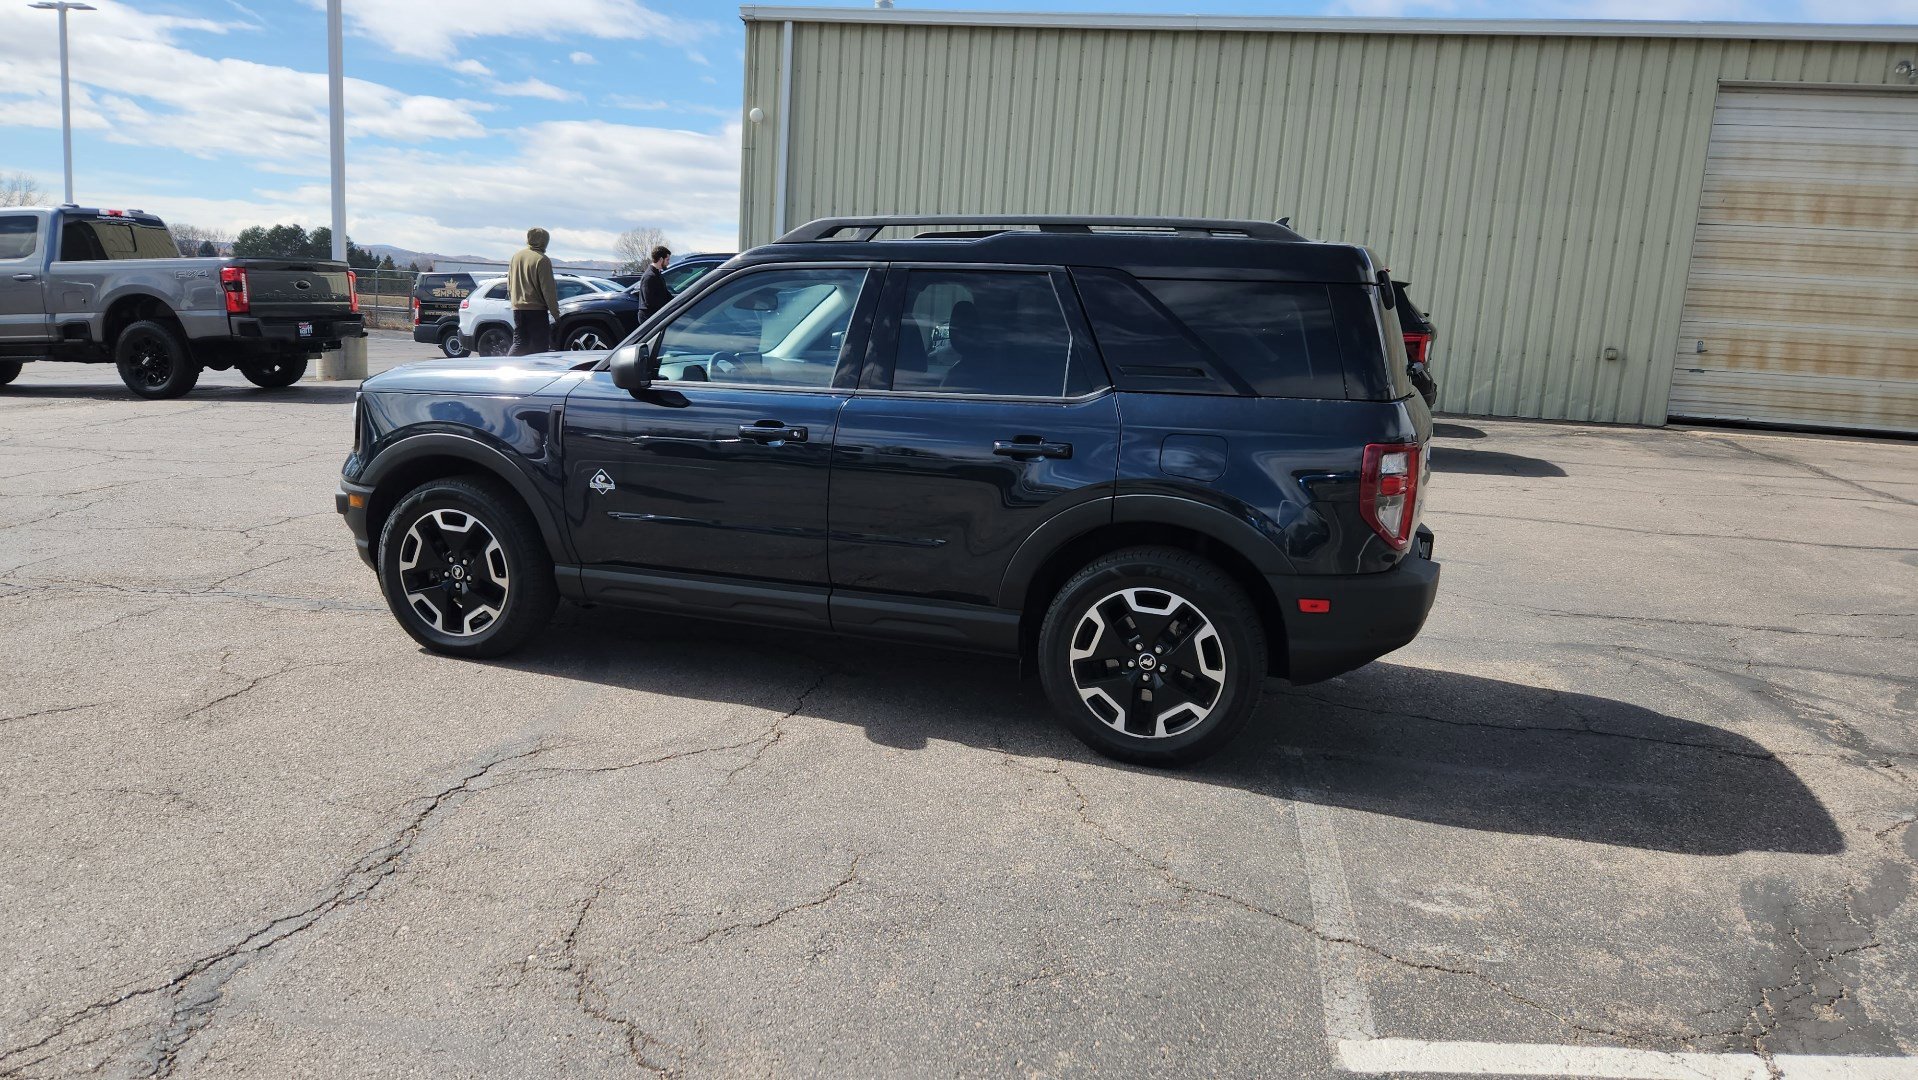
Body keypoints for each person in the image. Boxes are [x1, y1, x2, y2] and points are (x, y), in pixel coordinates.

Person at [508, 227, 561, 355]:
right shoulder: (542, 259)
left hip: (518, 308)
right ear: (544, 241)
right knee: (540, 346)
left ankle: (508, 367)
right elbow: (548, 290)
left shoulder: (516, 256)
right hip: (536, 310)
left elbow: (510, 283)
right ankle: (538, 372)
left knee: (520, 342)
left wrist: (514, 301)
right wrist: (556, 313)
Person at [635, 244, 673, 321]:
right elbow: (649, 301)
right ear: (661, 259)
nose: (668, 263)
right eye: (667, 260)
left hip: (654, 315)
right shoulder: (650, 276)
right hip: (648, 317)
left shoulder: (657, 274)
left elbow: (665, 293)